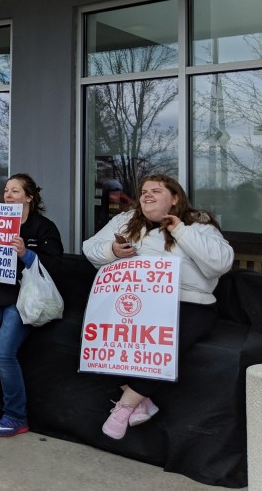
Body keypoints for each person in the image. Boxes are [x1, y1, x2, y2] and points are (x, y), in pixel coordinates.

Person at [83, 174, 233, 440]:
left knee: (164, 342)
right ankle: (142, 401)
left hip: (187, 304)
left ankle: (125, 405)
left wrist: (180, 231)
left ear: (175, 198)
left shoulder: (198, 224)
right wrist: (113, 251)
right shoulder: (126, 221)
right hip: (136, 302)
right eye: (143, 191)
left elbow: (220, 263)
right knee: (97, 340)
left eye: (156, 190)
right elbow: (89, 248)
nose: (146, 195)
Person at [0, 174, 62, 437]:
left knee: (3, 353)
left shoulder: (44, 227)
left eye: (15, 191)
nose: (8, 195)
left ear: (30, 197)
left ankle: (15, 415)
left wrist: (27, 254)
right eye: (6, 190)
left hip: (22, 298)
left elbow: (55, 266)